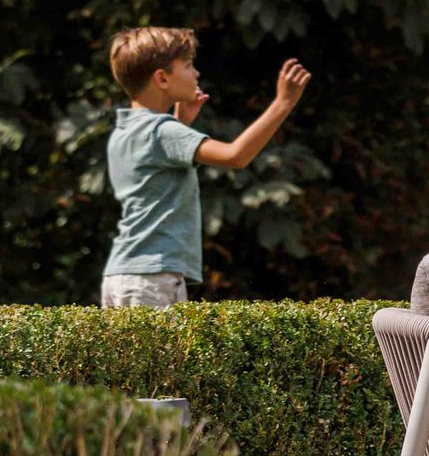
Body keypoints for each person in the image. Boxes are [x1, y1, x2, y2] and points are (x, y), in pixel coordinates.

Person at [100, 27, 311, 308]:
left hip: (122, 274)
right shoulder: (163, 131)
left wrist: (182, 123)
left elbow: (153, 175)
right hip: (154, 276)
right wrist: (283, 103)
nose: (196, 73)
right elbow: (236, 156)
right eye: (188, 66)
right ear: (162, 78)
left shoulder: (125, 130)